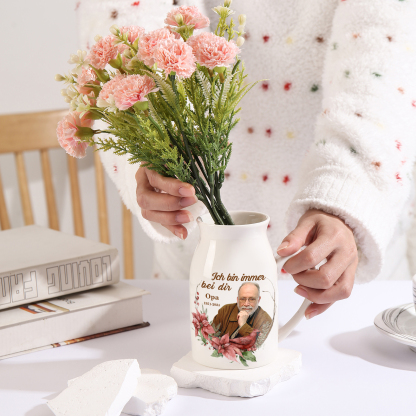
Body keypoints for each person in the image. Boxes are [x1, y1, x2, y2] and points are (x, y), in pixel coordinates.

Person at [77, 0, 416, 319]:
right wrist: (156, 145)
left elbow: (385, 53)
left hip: (347, 268)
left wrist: (344, 194)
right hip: (194, 261)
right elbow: (120, 22)